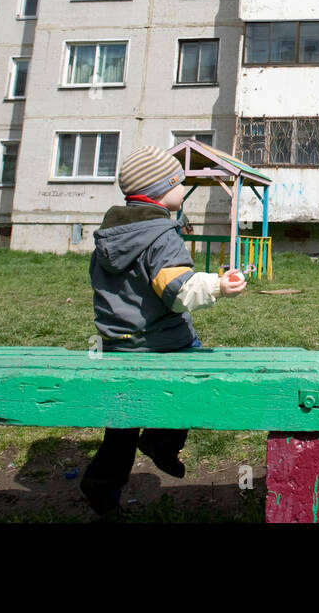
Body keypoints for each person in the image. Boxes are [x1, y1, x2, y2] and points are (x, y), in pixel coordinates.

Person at [80, 145, 246, 516]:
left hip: (118, 345)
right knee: (193, 387)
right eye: (178, 182)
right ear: (160, 191)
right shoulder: (160, 236)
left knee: (123, 420)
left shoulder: (111, 234)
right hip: (163, 343)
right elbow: (177, 291)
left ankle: (103, 481)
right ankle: (161, 443)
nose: (182, 187)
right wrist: (219, 285)